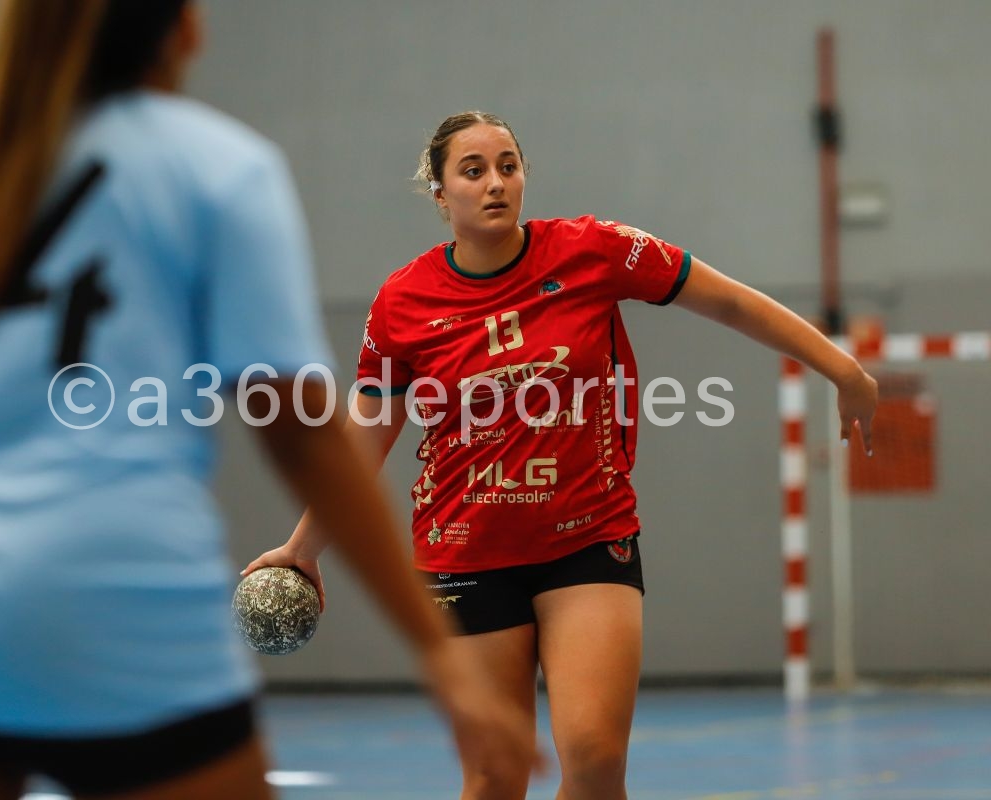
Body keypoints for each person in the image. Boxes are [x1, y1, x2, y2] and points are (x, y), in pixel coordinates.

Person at [0, 10, 540, 799]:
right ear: (183, 30)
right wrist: (438, 656)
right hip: (123, 614)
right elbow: (303, 438)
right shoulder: (216, 169)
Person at [244, 110, 879, 800]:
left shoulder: (594, 250)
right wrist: (303, 548)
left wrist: (843, 370)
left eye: (509, 166)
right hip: (466, 550)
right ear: (440, 195)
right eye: (473, 170)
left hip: (587, 537)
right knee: (494, 776)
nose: (495, 183)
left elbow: (727, 301)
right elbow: (369, 432)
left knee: (595, 760)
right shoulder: (403, 302)